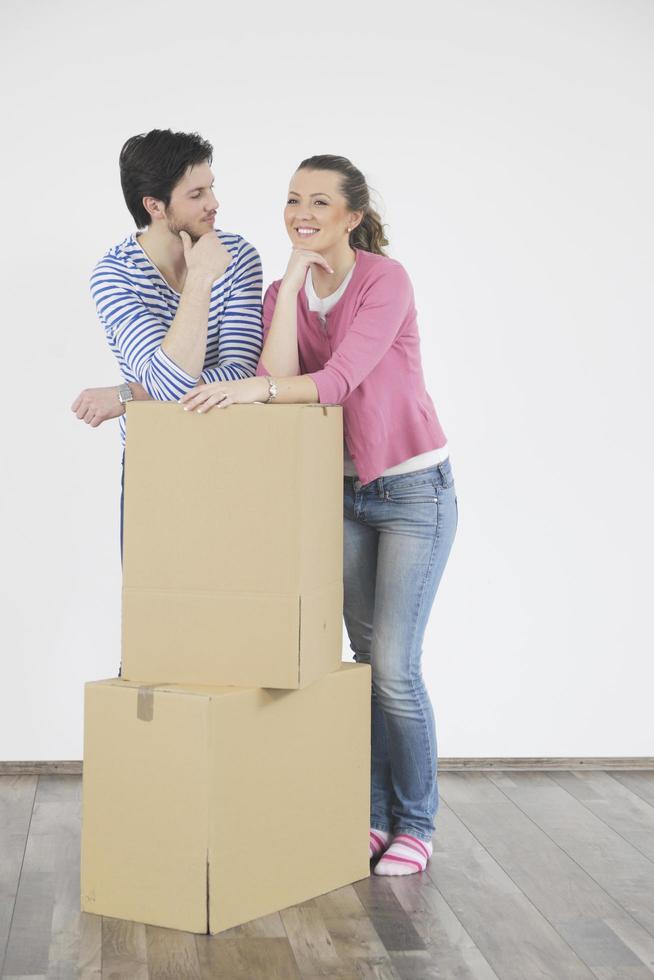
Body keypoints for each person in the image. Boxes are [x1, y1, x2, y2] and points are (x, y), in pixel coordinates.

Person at [179, 155, 458, 878]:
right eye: (294, 200)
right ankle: (368, 818)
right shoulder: (284, 289)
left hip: (410, 494)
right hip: (337, 493)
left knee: (395, 668)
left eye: (321, 202)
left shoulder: (385, 281)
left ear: (353, 216)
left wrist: (256, 394)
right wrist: (295, 282)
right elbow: (274, 377)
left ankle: (417, 822)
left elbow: (335, 383)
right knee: (361, 667)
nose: (303, 213)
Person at [71, 129, 263, 675]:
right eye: (197, 194)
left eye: (212, 188)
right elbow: (176, 385)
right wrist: (200, 279)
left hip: (238, 456)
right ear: (155, 207)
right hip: (159, 466)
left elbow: (241, 373)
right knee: (158, 628)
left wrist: (130, 393)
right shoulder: (113, 275)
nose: (215, 203)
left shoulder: (241, 257)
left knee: (237, 628)